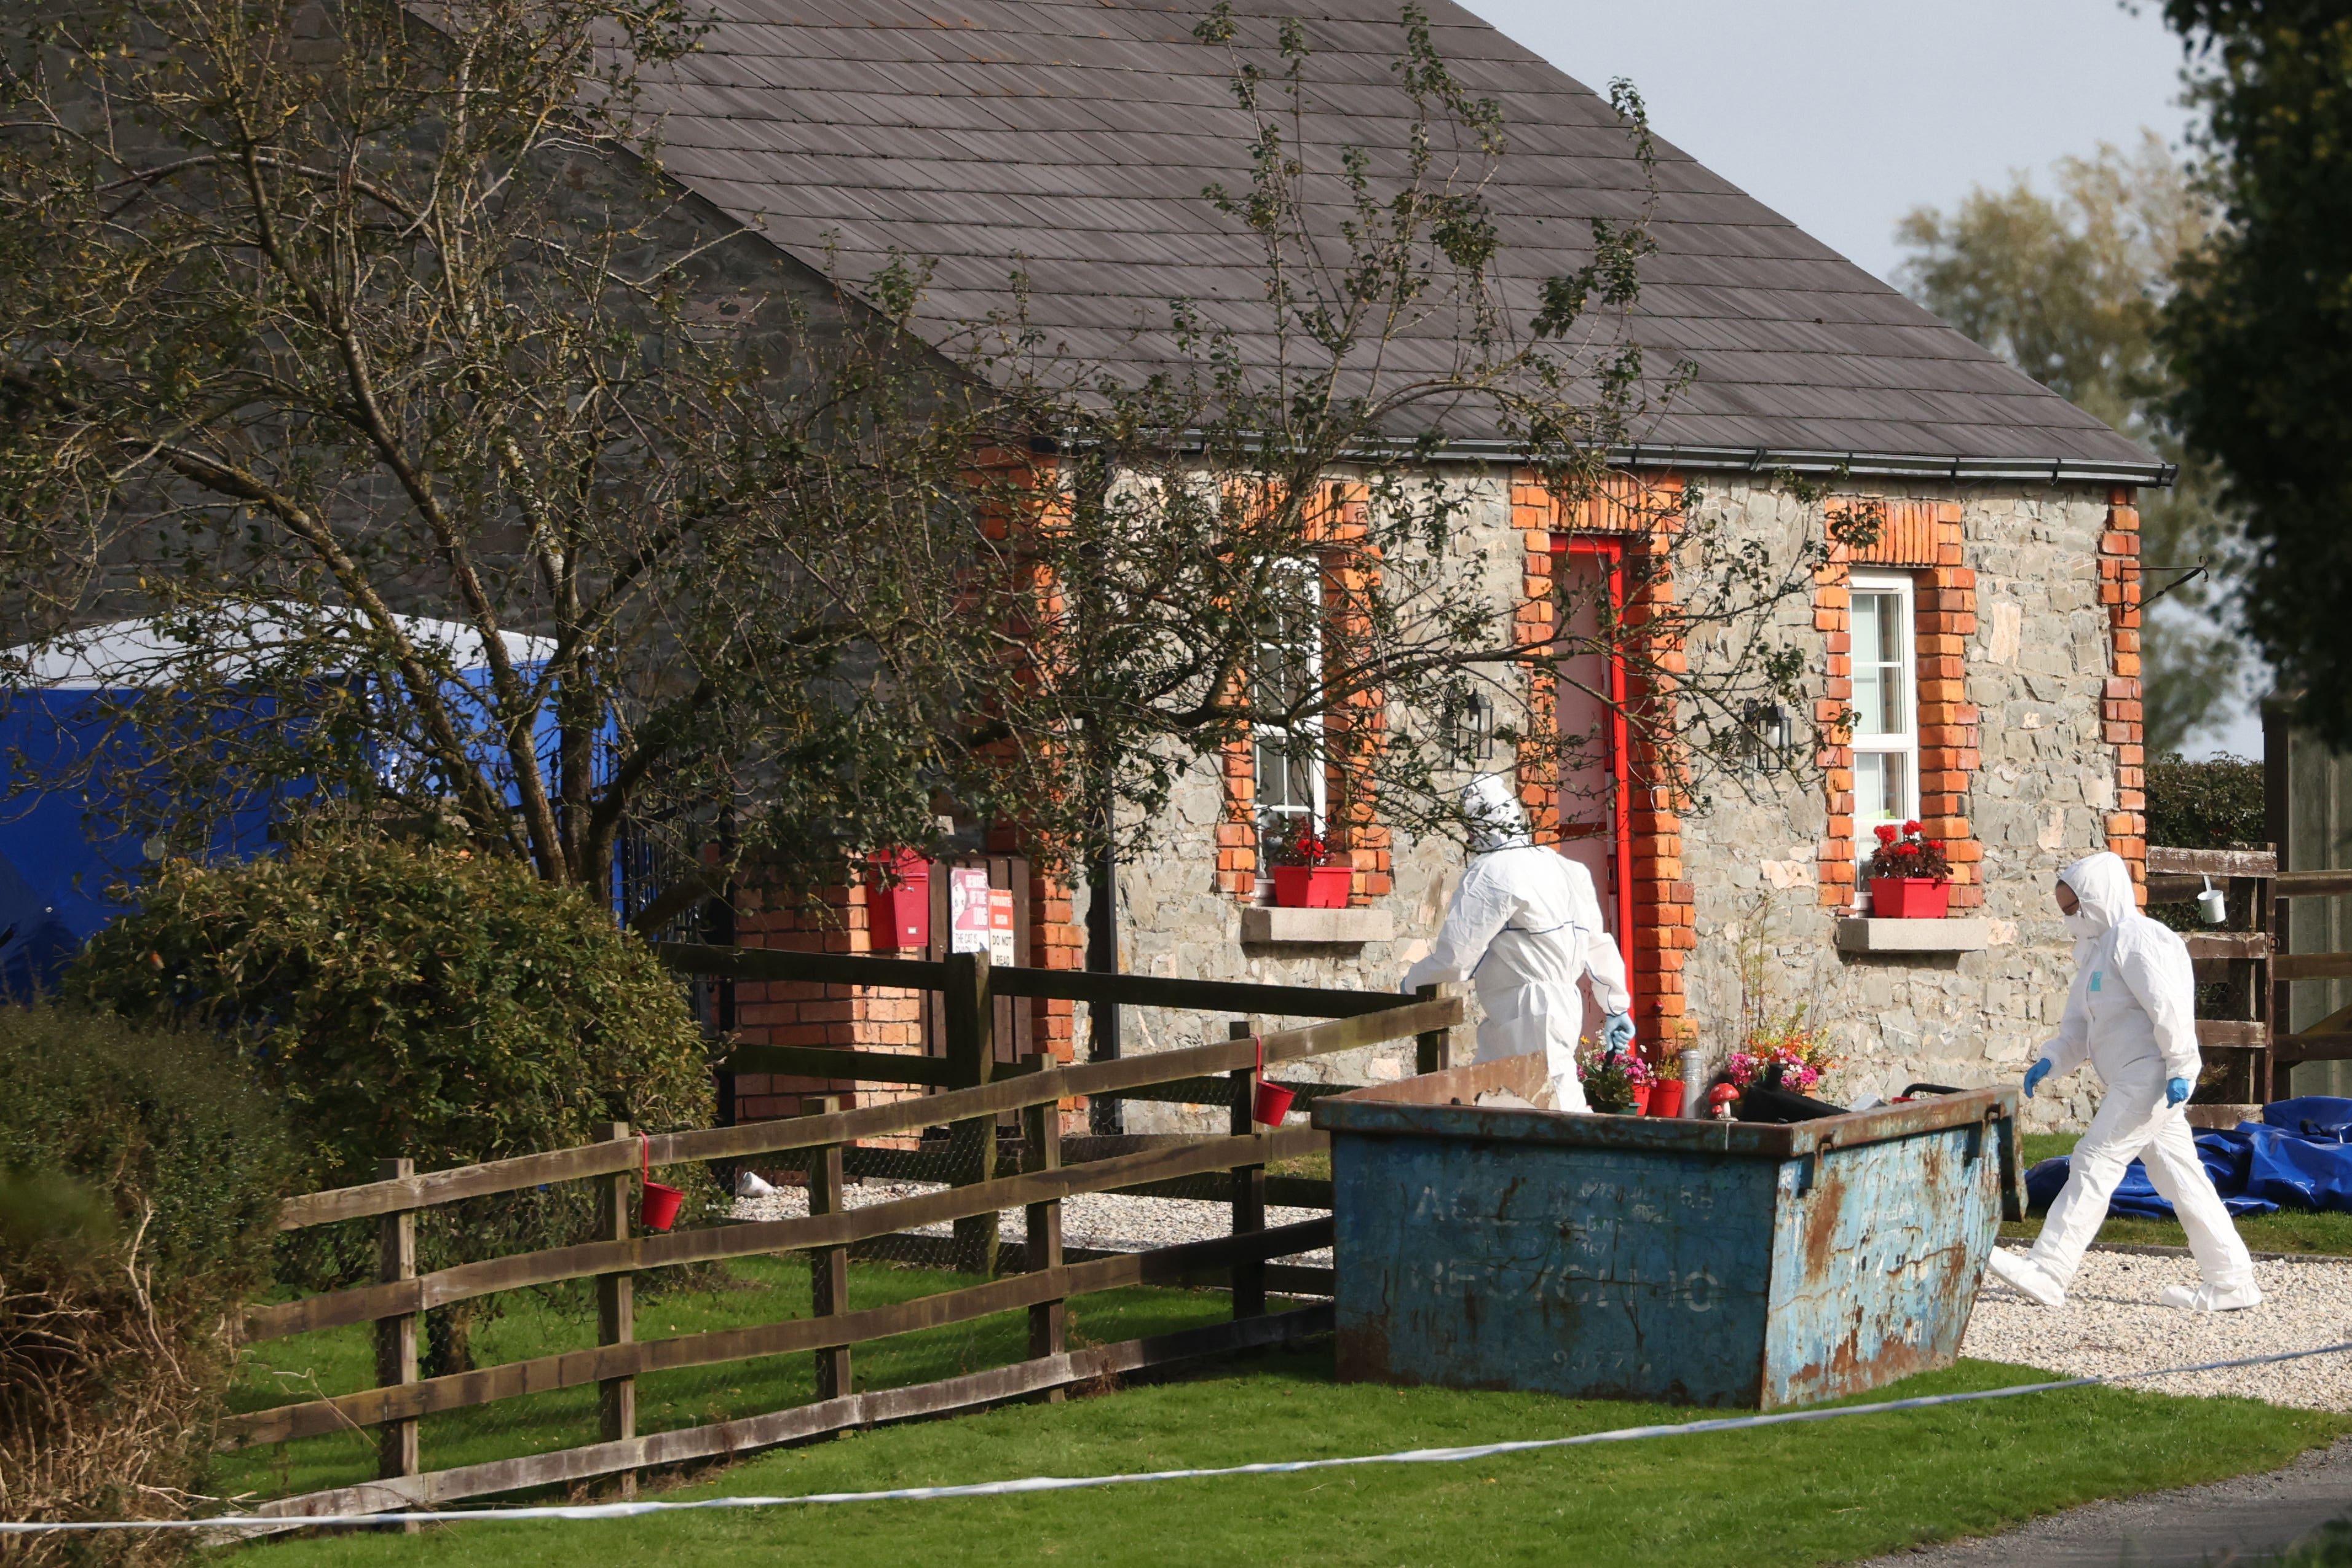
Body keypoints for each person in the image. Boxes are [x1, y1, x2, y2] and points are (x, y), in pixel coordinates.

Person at [1986, 851, 2261, 1312]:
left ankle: (2049, 1268)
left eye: (2074, 907)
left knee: (2095, 1157)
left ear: (2098, 897)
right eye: (2065, 911)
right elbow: (2081, 1028)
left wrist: (2181, 1066)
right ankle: (2232, 1280)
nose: (2071, 918)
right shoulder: (2097, 953)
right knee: (2180, 1176)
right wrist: (2051, 1060)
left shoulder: (2140, 939)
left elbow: (2168, 1008)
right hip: (2136, 1079)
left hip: (2152, 1076)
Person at [1401, 774, 1632, 1111]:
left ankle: (1590, 1163)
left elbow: (1458, 957)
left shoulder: (1493, 871)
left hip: (1527, 1007)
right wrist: (1616, 1006)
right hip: (1557, 1004)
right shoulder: (1566, 868)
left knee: (1552, 1105)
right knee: (1501, 1099)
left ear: (1477, 826)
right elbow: (1597, 945)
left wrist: (1410, 983)